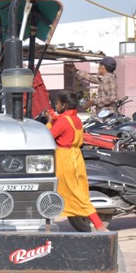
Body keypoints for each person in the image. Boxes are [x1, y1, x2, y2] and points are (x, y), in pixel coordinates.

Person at [46, 91, 106, 231]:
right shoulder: (76, 119)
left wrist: (49, 122)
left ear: (64, 105)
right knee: (78, 191)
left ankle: (99, 226)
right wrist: (55, 117)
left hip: (65, 159)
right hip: (76, 158)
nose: (56, 106)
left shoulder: (63, 121)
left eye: (58, 104)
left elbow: (48, 136)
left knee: (76, 194)